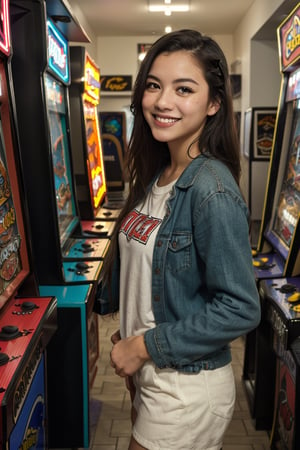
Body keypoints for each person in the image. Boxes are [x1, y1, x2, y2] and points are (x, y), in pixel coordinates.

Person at [97, 29, 261, 450]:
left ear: (213, 104)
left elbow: (241, 308)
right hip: (152, 375)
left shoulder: (212, 189)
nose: (162, 101)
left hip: (187, 390)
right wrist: (131, 334)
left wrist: (145, 344)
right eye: (154, 85)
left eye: (183, 89)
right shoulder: (159, 175)